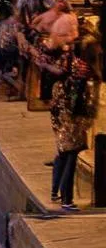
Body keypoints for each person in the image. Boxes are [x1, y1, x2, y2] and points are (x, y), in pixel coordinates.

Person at [44, 39, 101, 210]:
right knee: (70, 157)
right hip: (74, 120)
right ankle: (67, 200)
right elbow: (88, 104)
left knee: (62, 153)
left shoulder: (69, 63)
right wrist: (87, 123)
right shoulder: (87, 74)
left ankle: (55, 192)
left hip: (60, 116)